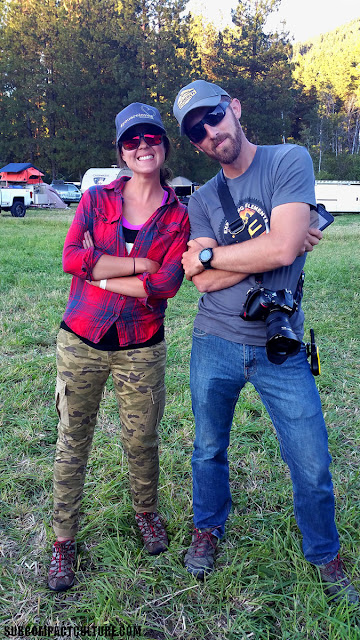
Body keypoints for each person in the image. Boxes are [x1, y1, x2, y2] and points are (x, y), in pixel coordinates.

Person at [172, 80, 358, 603]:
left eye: (213, 117)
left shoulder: (288, 160)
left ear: (233, 108)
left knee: (312, 460)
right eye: (197, 131)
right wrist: (277, 244)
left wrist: (215, 255)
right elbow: (203, 281)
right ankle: (207, 529)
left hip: (281, 342)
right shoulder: (204, 198)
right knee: (208, 448)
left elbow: (264, 253)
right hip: (214, 339)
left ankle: (324, 552)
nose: (210, 133)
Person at [48, 103, 189, 592]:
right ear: (121, 150)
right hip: (81, 338)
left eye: (151, 137)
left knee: (141, 439)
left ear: (164, 146)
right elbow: (71, 257)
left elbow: (167, 284)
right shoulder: (95, 199)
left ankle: (145, 513)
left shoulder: (178, 215)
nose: (142, 146)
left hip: (141, 347)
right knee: (73, 440)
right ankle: (63, 539)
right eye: (132, 140)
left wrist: (101, 266)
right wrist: (136, 266)